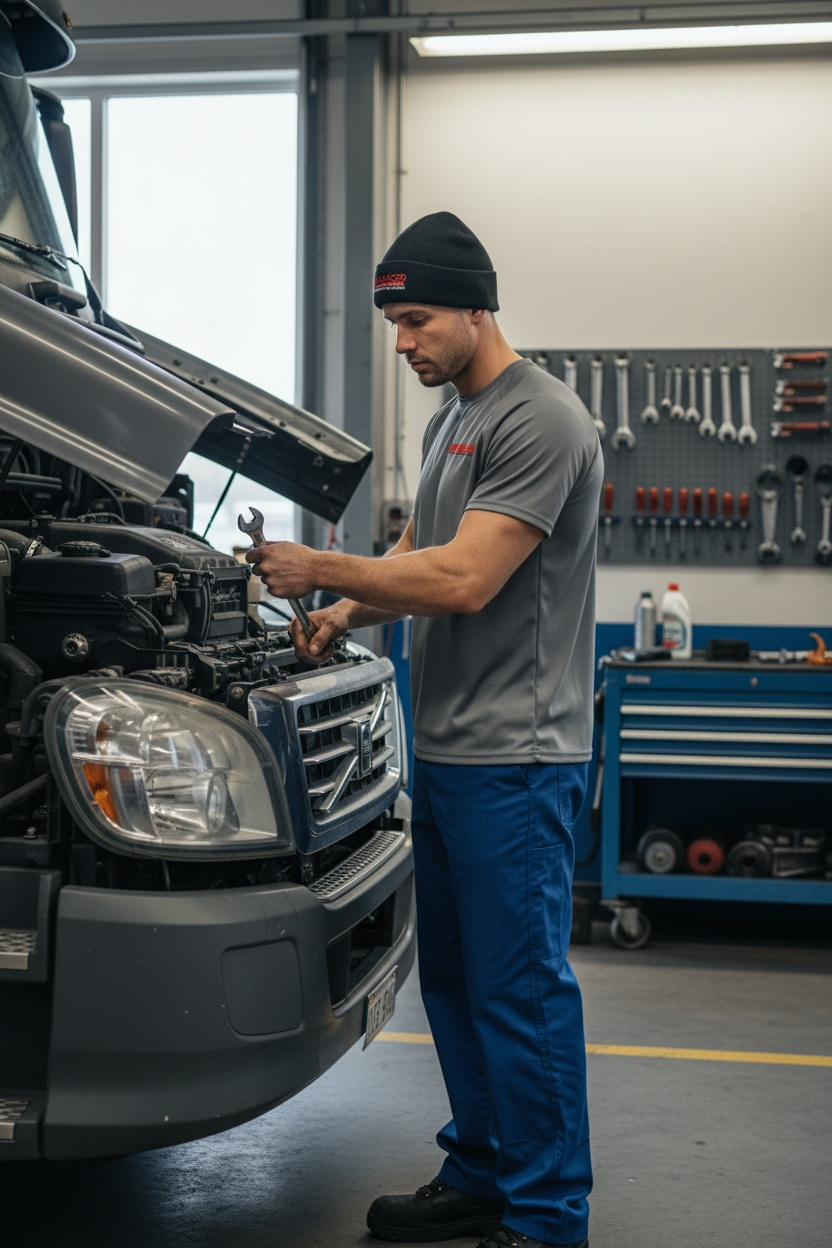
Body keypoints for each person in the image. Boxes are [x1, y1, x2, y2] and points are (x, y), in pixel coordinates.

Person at [247, 211, 603, 1248]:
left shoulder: (541, 420)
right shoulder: (453, 417)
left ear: (476, 307)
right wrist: (343, 613)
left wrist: (319, 568)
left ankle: (546, 1218)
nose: (402, 342)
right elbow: (419, 544)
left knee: (520, 991)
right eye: (394, 323)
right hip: (448, 753)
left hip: (518, 758)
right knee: (453, 979)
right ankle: (484, 1169)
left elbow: (465, 574)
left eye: (416, 320)